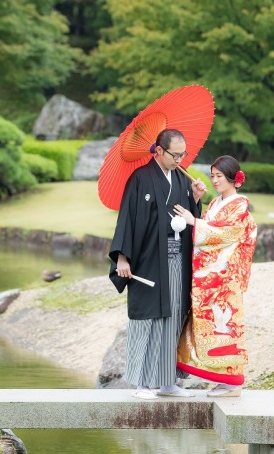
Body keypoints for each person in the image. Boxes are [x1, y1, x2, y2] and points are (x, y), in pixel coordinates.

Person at [108, 128, 207, 400]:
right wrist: (122, 257)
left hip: (177, 259)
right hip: (149, 260)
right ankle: (141, 383)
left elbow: (188, 219)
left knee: (174, 315)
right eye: (175, 154)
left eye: (183, 155)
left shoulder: (181, 179)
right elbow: (127, 218)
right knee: (148, 318)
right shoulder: (140, 178)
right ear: (159, 151)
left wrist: (195, 199)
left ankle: (167, 382)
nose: (179, 159)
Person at [172, 155, 257, 397]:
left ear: (234, 179)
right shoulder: (216, 204)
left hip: (225, 280)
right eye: (213, 176)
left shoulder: (239, 207)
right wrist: (196, 205)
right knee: (213, 325)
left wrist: (193, 222)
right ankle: (225, 380)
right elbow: (211, 230)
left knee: (226, 326)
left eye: (220, 176)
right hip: (213, 277)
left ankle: (233, 383)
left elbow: (226, 235)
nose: (215, 180)